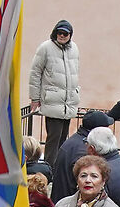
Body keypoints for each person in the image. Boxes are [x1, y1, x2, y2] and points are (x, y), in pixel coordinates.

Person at [27, 20, 80, 154]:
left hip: (68, 102)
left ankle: (58, 168)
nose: (62, 36)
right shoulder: (45, 47)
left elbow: (74, 73)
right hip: (52, 100)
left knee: (63, 139)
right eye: (59, 33)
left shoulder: (74, 48)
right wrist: (35, 98)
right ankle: (49, 169)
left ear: (70, 35)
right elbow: (35, 73)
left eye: (65, 34)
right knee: (53, 138)